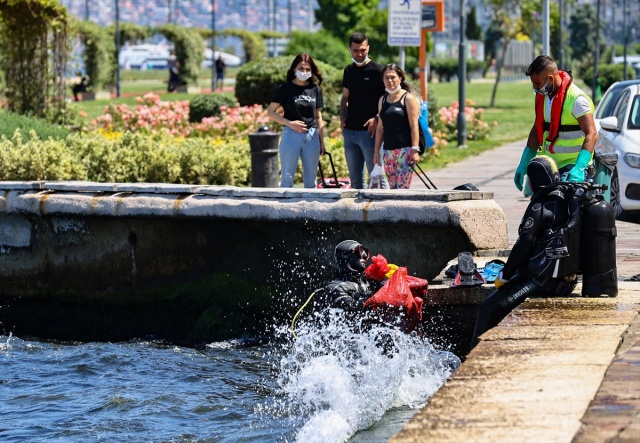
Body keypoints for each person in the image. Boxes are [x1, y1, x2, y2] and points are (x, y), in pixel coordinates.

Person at [472, 156, 580, 347]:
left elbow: (525, 244)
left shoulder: (540, 207)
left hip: (540, 281)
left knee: (487, 308)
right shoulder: (563, 199)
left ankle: (471, 356)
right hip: (563, 279)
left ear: (535, 180)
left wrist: (505, 274)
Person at [514, 55, 597, 191]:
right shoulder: (542, 97)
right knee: (540, 205)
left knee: (564, 203)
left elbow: (592, 134)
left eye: (538, 83)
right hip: (550, 165)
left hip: (573, 166)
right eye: (533, 84)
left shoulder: (577, 100)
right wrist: (523, 164)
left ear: (550, 79)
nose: (535, 88)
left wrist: (579, 168)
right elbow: (537, 129)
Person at [267, 53, 326, 188]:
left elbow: (318, 116)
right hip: (291, 135)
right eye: (301, 68)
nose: (304, 72)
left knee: (311, 179)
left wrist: (322, 141)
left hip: (312, 136)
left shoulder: (315, 89)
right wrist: (289, 123)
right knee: (287, 177)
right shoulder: (285, 89)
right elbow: (270, 112)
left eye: (307, 69)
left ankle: (311, 207)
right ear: (294, 69)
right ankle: (284, 207)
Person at [340, 32, 386, 189]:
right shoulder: (348, 71)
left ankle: (382, 212)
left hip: (370, 134)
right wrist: (342, 119)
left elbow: (389, 100)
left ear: (368, 48)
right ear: (349, 50)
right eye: (355, 50)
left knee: (377, 179)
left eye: (363, 50)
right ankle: (358, 213)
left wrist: (377, 118)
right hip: (350, 132)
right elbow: (345, 97)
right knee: (355, 183)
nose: (359, 54)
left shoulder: (379, 71)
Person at [373, 63, 421, 189]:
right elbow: (380, 129)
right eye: (386, 78)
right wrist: (376, 152)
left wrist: (415, 150)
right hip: (388, 151)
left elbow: (414, 126)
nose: (390, 80)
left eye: (393, 77)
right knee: (393, 189)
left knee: (402, 189)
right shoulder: (382, 100)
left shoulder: (408, 98)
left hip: (404, 150)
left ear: (400, 78)